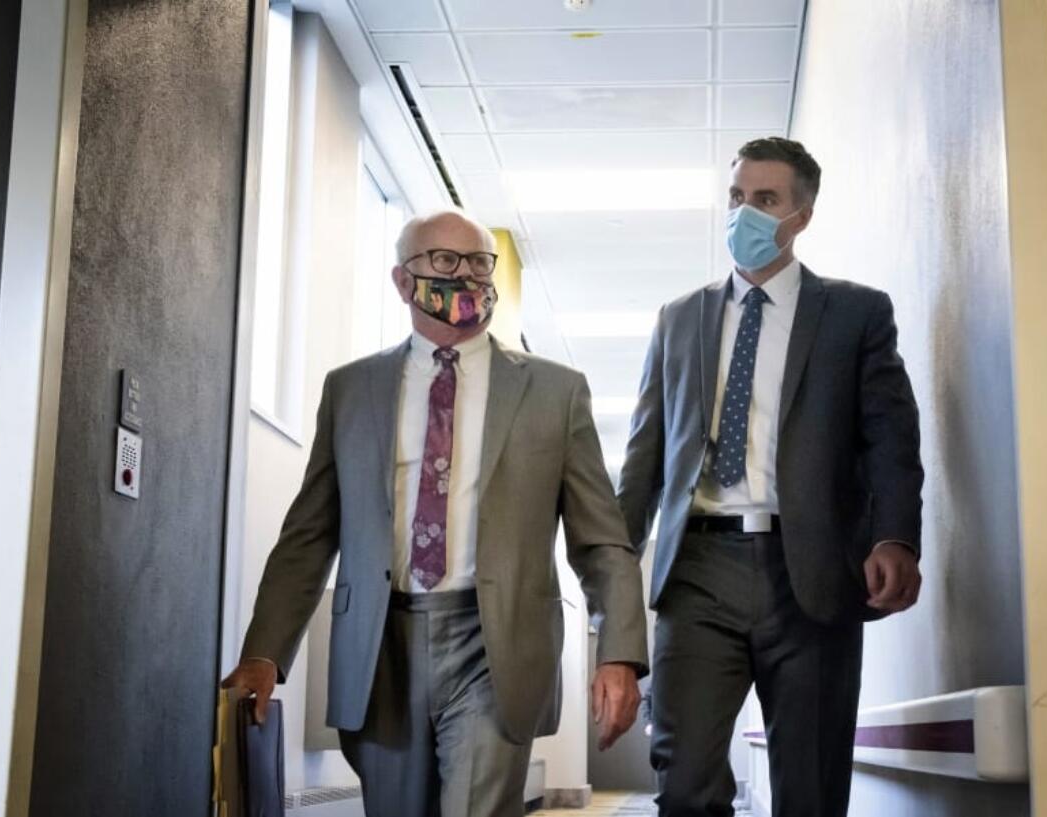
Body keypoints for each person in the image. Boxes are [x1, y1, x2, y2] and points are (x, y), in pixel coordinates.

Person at [223, 210, 648, 816]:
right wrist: (265, 651)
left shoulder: (555, 392)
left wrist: (619, 650)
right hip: (380, 642)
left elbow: (602, 538)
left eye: (478, 262)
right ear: (403, 282)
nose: (467, 277)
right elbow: (309, 534)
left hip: (494, 642)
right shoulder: (351, 390)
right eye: (445, 262)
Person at [618, 137, 924, 817]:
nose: (745, 214)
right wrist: (611, 585)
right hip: (696, 569)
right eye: (736, 197)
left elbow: (890, 439)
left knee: (810, 789)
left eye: (765, 200)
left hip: (810, 571)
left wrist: (896, 537)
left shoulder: (855, 314)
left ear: (802, 215)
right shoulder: (678, 320)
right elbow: (641, 466)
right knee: (687, 783)